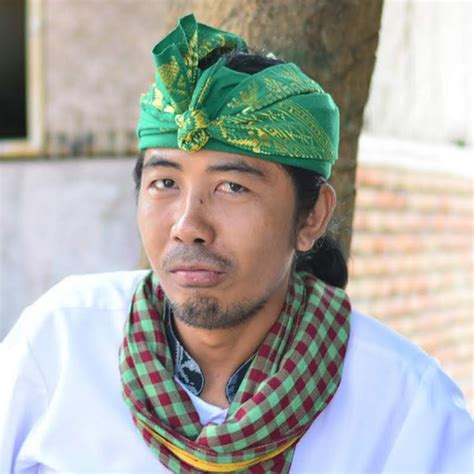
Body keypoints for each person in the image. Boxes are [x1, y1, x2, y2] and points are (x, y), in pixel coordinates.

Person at [1, 14, 472, 474]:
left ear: (311, 216)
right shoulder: (62, 343)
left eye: (233, 187)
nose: (188, 225)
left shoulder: (406, 408)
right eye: (165, 183)